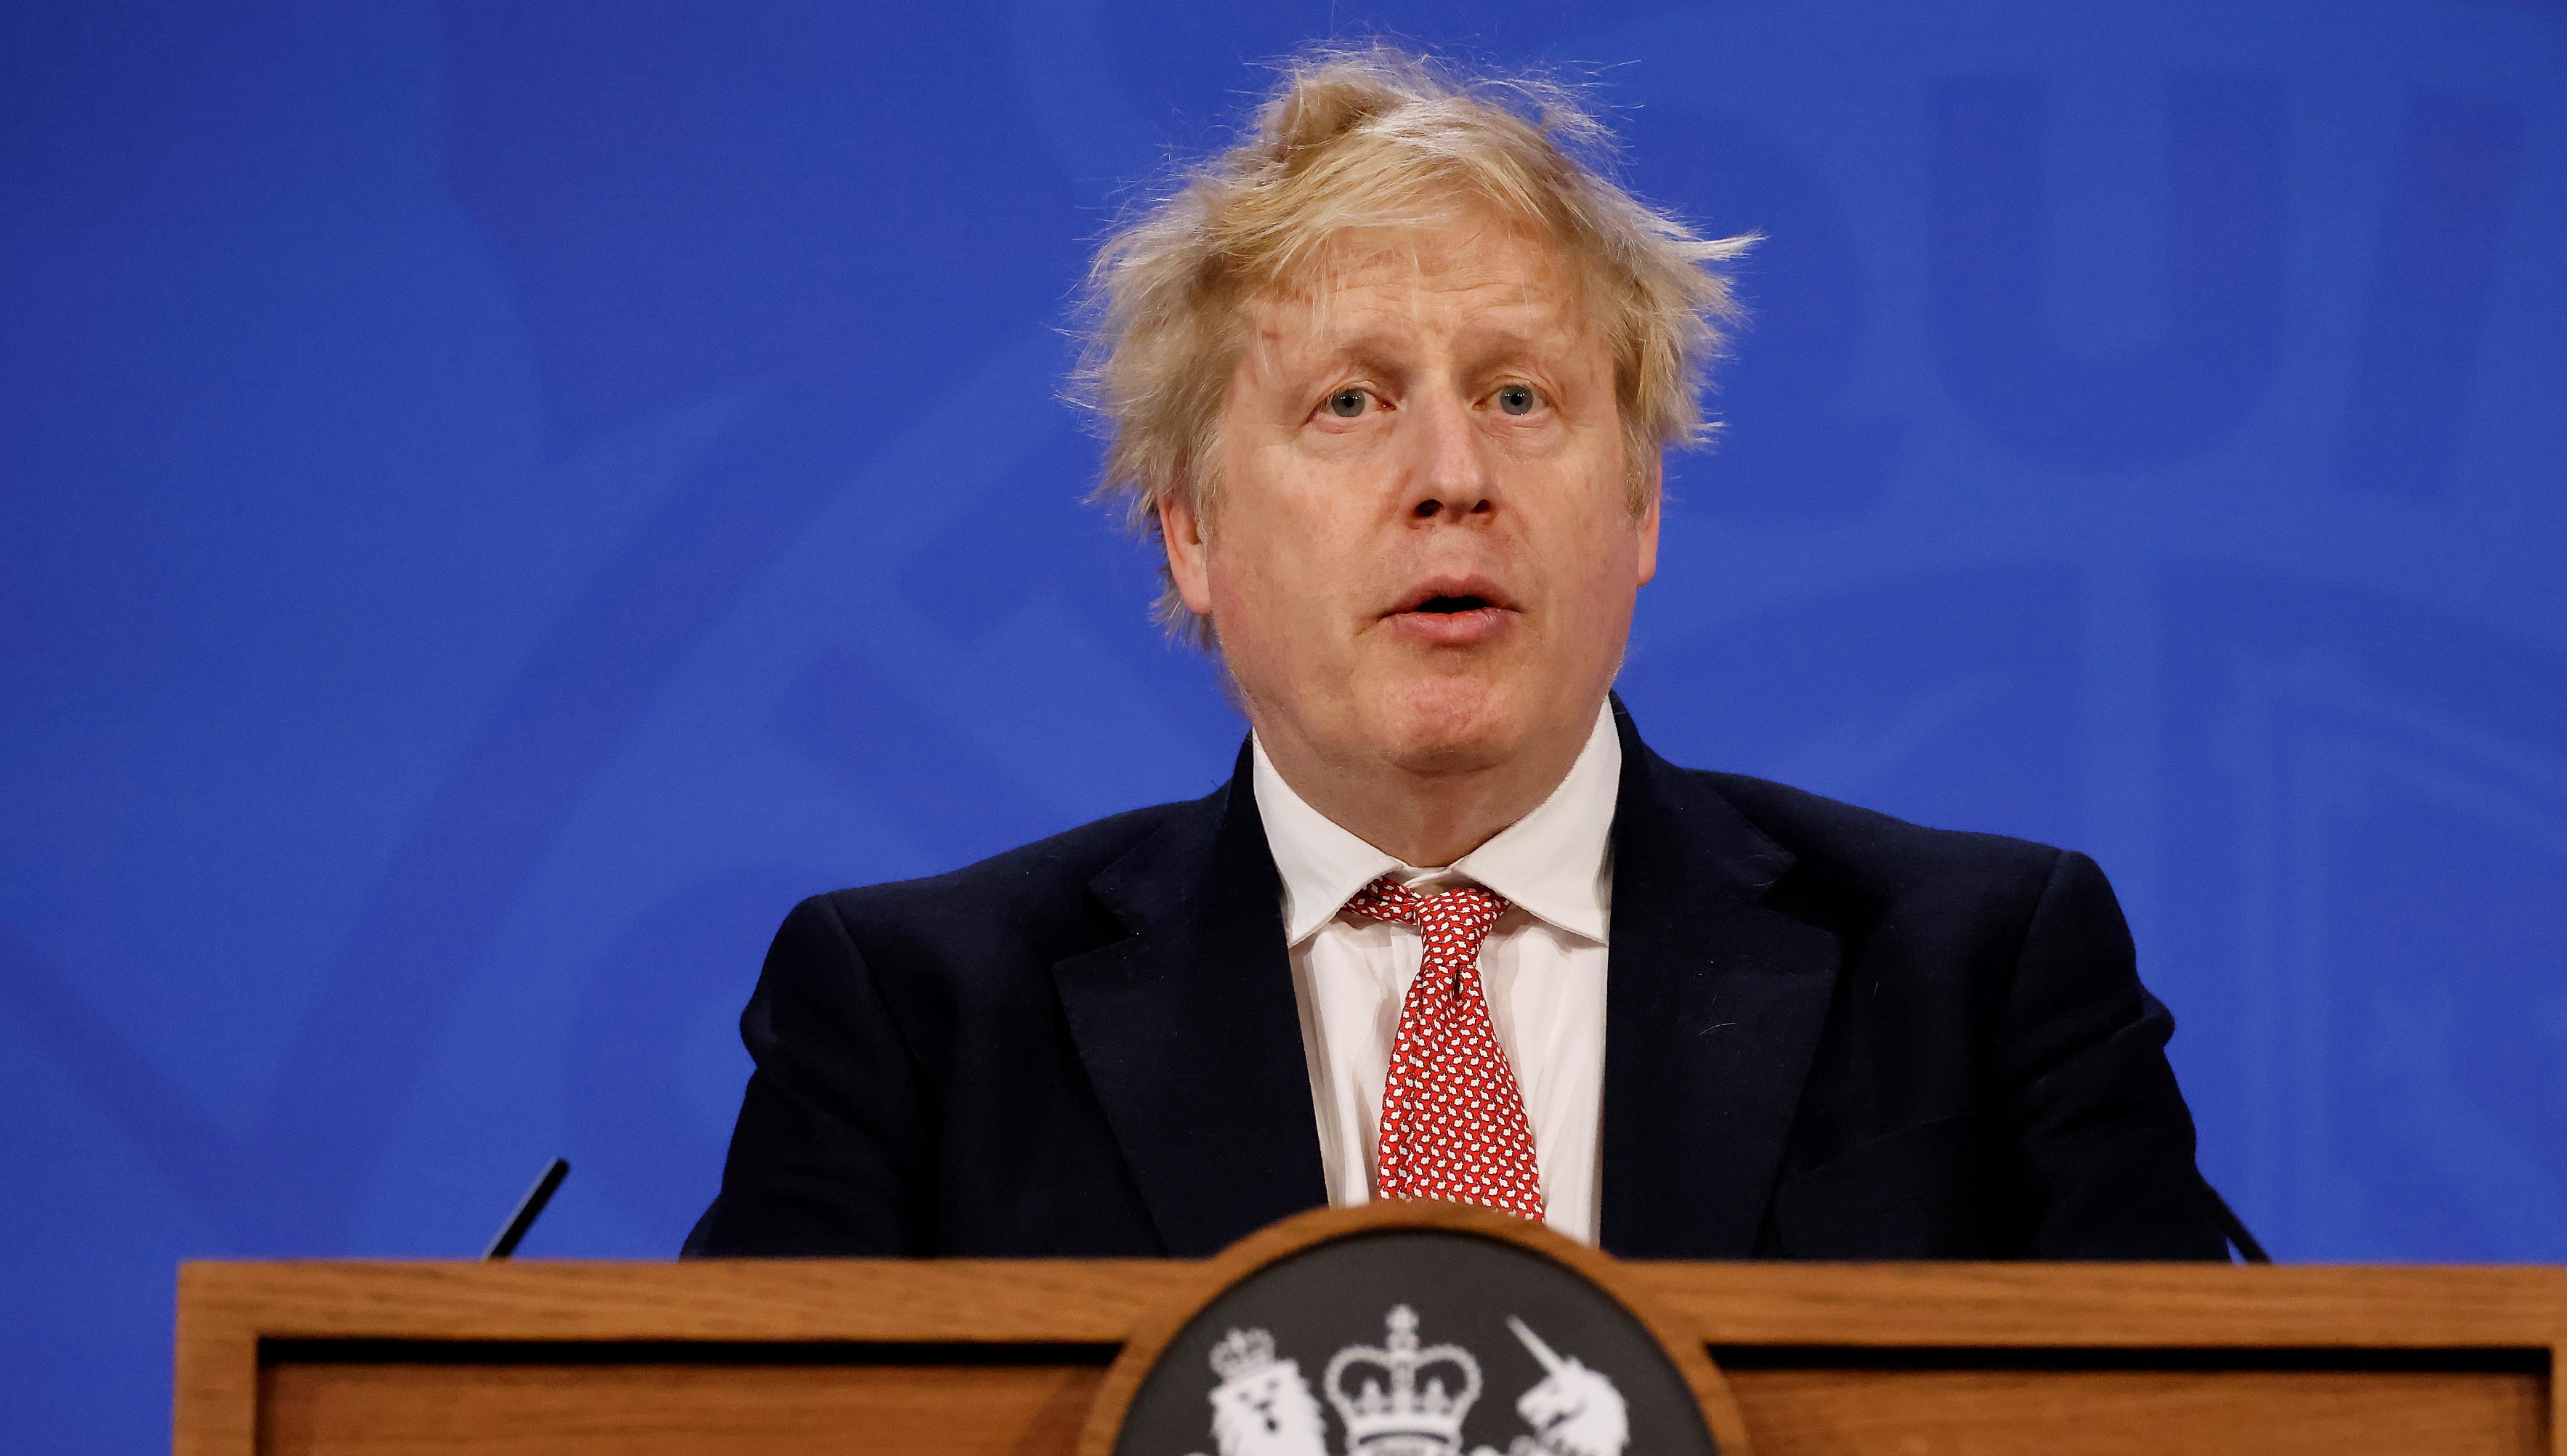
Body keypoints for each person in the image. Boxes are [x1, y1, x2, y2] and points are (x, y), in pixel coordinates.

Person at [685, 49, 2224, 1269]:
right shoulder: (920, 1024)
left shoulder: (1980, 976)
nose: (1450, 477)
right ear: (1192, 538)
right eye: (1348, 403)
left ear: (1638, 505)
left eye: (1517, 399)